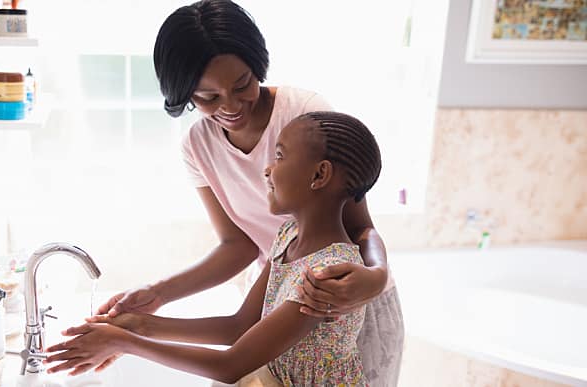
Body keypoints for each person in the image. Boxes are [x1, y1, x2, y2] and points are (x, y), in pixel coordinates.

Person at [96, 0, 404, 384]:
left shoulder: (304, 121)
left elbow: (361, 227)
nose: (231, 105)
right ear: (185, 93)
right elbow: (238, 246)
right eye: (208, 97)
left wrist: (374, 274)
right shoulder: (199, 146)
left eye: (242, 84)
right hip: (276, 296)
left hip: (345, 300)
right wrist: (156, 298)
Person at [45, 111, 382, 386]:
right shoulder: (289, 236)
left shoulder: (327, 276)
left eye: (279, 156)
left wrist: (124, 342)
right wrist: (139, 325)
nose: (268, 169)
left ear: (319, 174)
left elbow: (231, 365)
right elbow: (239, 327)